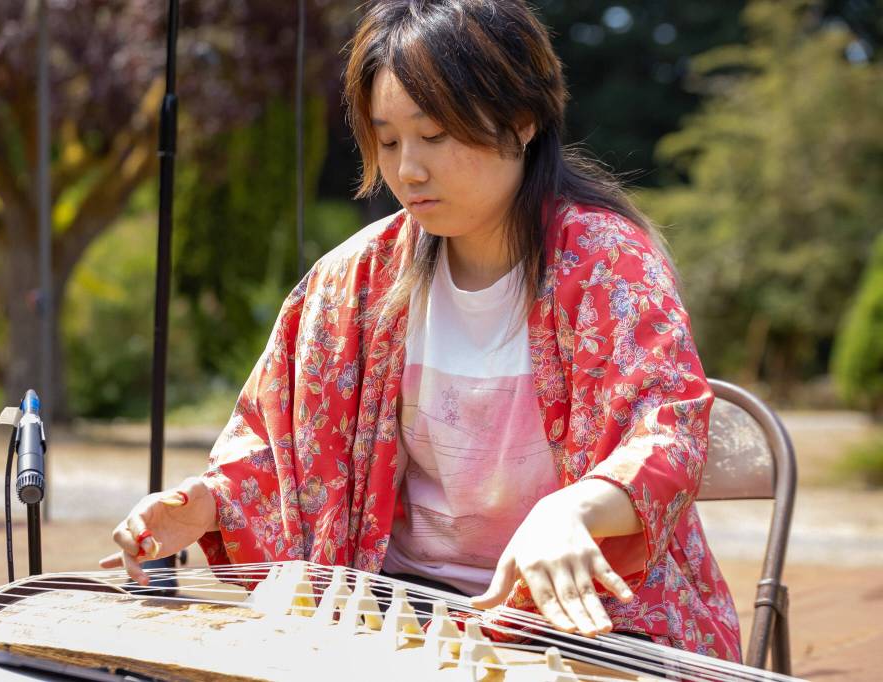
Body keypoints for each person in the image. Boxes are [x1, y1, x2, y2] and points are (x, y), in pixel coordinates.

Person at [101, 0, 741, 661]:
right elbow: (282, 447)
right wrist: (209, 503)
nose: (408, 169)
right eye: (388, 141)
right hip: (404, 611)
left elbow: (665, 425)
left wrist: (576, 508)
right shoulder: (356, 279)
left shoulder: (609, 264)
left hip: (583, 618)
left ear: (522, 122)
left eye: (434, 135)